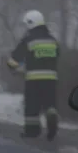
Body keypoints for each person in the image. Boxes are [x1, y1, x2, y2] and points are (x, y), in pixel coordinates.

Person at [6, 9, 60, 141]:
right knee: (49, 103)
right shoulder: (52, 40)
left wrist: (12, 67)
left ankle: (32, 131)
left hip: (33, 79)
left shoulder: (29, 40)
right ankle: (51, 114)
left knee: (32, 105)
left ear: (31, 23)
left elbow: (15, 59)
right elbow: (57, 55)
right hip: (51, 79)